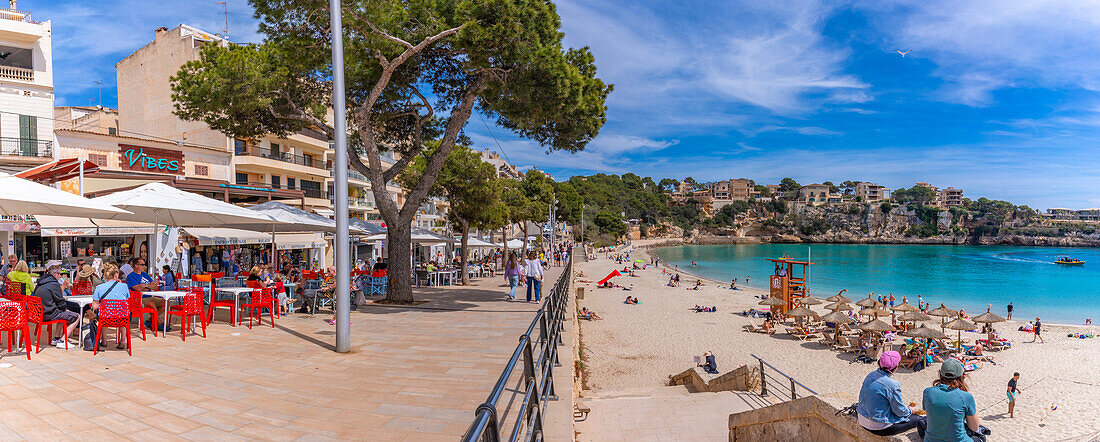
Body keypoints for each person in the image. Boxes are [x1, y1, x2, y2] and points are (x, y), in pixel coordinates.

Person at [857, 351, 926, 437]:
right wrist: (911, 410)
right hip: (879, 426)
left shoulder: (870, 375)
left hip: (862, 419)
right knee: (918, 419)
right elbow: (899, 411)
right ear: (896, 367)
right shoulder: (892, 384)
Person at [922, 359, 980, 442]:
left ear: (940, 374)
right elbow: (974, 427)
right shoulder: (966, 397)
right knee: (979, 438)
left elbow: (930, 414)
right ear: (961, 376)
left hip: (930, 440)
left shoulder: (927, 392)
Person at [33, 265, 81, 349]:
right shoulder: (53, 284)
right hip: (48, 314)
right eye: (60, 274)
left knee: (62, 312)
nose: (61, 276)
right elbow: (60, 301)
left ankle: (56, 338)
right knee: (77, 316)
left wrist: (64, 310)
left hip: (39, 313)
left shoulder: (40, 282)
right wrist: (65, 310)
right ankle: (63, 340)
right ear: (55, 274)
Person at [92, 264, 132, 349]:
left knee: (104, 313)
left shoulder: (99, 287)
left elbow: (95, 307)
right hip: (122, 318)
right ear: (116, 275)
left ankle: (104, 341)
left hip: (105, 318)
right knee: (122, 312)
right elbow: (126, 302)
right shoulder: (124, 286)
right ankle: (123, 341)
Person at [126, 259, 168, 332]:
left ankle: (150, 321)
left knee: (166, 302)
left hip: (149, 296)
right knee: (151, 303)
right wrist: (148, 286)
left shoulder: (145, 274)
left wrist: (145, 285)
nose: (144, 266)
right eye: (142, 265)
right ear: (136, 265)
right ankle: (159, 323)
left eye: (144, 264)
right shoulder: (130, 276)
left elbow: (155, 286)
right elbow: (138, 288)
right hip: (139, 299)